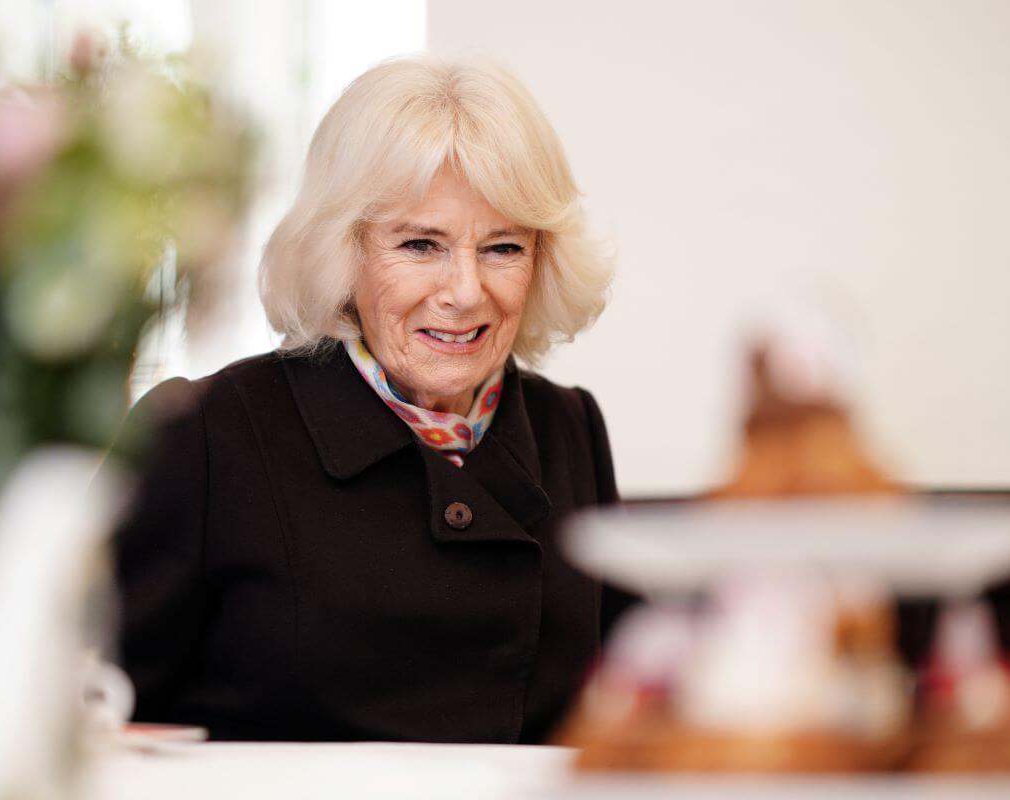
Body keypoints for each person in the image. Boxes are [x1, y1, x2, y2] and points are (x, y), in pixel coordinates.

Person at [110, 56, 631, 744]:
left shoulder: (569, 427)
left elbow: (635, 700)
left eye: (503, 247)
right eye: (420, 244)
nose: (466, 291)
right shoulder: (204, 435)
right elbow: (87, 712)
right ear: (341, 250)